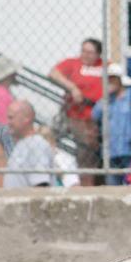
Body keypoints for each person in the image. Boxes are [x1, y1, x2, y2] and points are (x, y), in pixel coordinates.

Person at [48, 38, 105, 186]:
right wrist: (72, 88)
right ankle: (83, 185)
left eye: (90, 52)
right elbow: (53, 73)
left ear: (98, 54)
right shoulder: (73, 63)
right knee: (84, 153)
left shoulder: (105, 66)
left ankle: (93, 183)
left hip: (97, 118)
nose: (85, 55)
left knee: (94, 155)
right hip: (77, 116)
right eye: (83, 51)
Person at [92, 63, 131, 185]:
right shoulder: (108, 99)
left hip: (130, 149)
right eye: (108, 79)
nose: (110, 82)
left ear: (120, 79)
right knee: (112, 186)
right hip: (111, 151)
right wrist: (105, 97)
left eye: (113, 78)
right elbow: (95, 115)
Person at [3, 99, 53, 189]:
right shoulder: (22, 144)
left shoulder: (36, 145)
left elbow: (41, 186)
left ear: (26, 118)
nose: (8, 123)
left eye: (11, 118)